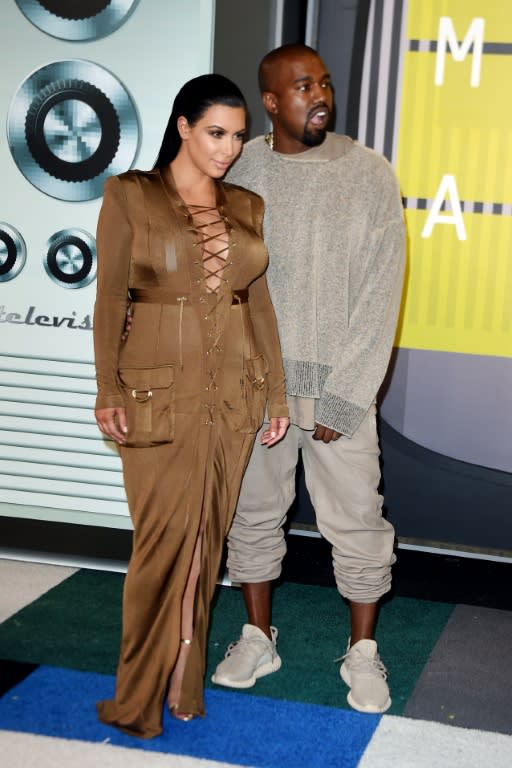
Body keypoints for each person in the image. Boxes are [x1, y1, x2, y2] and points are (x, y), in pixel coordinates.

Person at [210, 44, 406, 715]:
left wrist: (346, 397)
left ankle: (363, 651)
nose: (319, 94)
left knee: (357, 521)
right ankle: (257, 633)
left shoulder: (368, 173)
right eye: (301, 86)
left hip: (339, 390)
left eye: (322, 82)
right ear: (269, 102)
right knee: (253, 514)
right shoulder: (241, 168)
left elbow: (383, 293)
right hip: (257, 388)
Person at [93, 73, 289, 738]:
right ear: (182, 126)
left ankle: (182, 686)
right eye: (216, 133)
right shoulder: (130, 194)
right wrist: (107, 388)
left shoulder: (247, 205)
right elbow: (109, 297)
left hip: (233, 395)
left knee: (207, 544)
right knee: (161, 545)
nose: (228, 147)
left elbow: (256, 301)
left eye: (237, 136)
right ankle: (136, 696)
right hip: (156, 394)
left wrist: (279, 390)